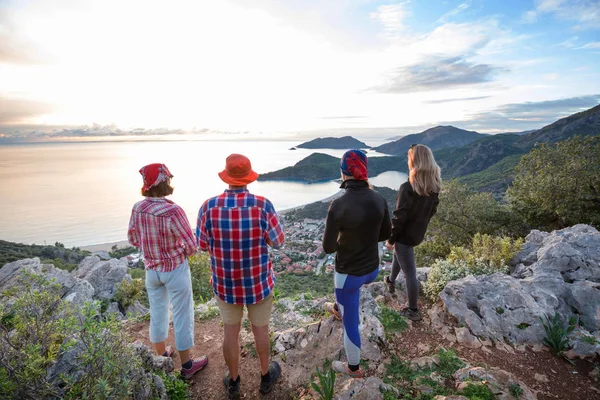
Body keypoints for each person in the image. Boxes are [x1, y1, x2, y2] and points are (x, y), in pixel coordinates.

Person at [196, 154, 285, 399]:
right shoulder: (263, 205)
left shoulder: (208, 207)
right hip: (258, 283)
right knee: (261, 331)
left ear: (227, 177)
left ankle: (233, 381)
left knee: (230, 333)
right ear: (248, 178)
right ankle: (266, 377)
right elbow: (278, 241)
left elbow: (202, 244)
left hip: (226, 285)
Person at [127, 163, 208, 379]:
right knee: (182, 314)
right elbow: (191, 246)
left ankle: (162, 355)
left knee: (158, 312)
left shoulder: (138, 207)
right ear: (165, 182)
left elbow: (133, 238)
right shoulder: (173, 211)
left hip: (151, 270)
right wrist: (176, 249)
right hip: (174, 269)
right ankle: (187, 365)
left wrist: (151, 249)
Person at [322, 149, 392, 378]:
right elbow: (384, 235)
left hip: (349, 276)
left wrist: (345, 237)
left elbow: (328, 248)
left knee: (350, 324)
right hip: (372, 270)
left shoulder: (338, 205)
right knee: (345, 296)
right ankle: (338, 307)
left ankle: (353, 368)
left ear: (343, 173)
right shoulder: (379, 198)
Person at [385, 144, 441, 321]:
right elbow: (432, 210)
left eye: (409, 158)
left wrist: (390, 239)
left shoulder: (407, 187)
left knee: (410, 273)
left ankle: (413, 310)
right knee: (399, 255)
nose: (407, 161)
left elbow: (399, 217)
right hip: (417, 234)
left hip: (405, 236)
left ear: (415, 161)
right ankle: (391, 281)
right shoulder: (434, 187)